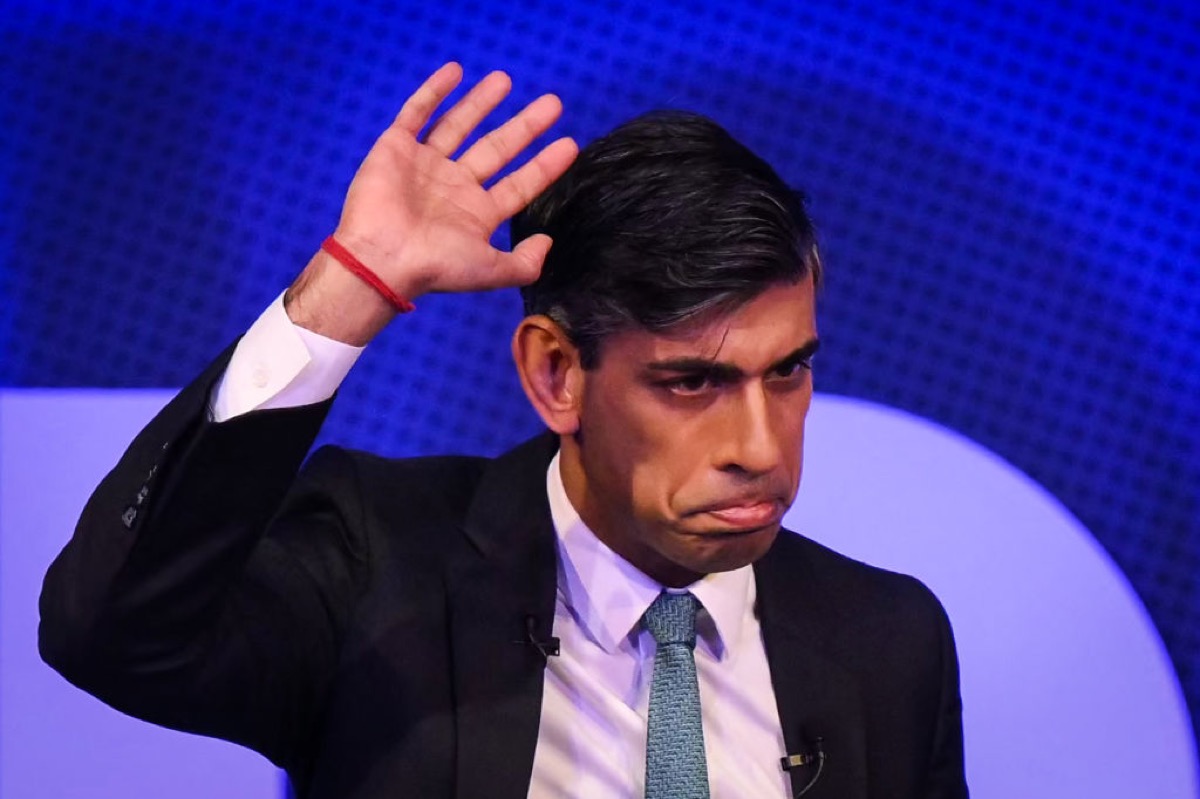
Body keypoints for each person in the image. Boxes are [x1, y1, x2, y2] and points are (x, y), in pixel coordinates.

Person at [39, 63, 968, 798]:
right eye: (692, 382)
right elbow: (111, 630)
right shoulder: (381, 571)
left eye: (789, 370)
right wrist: (352, 284)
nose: (763, 449)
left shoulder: (889, 643)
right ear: (555, 374)